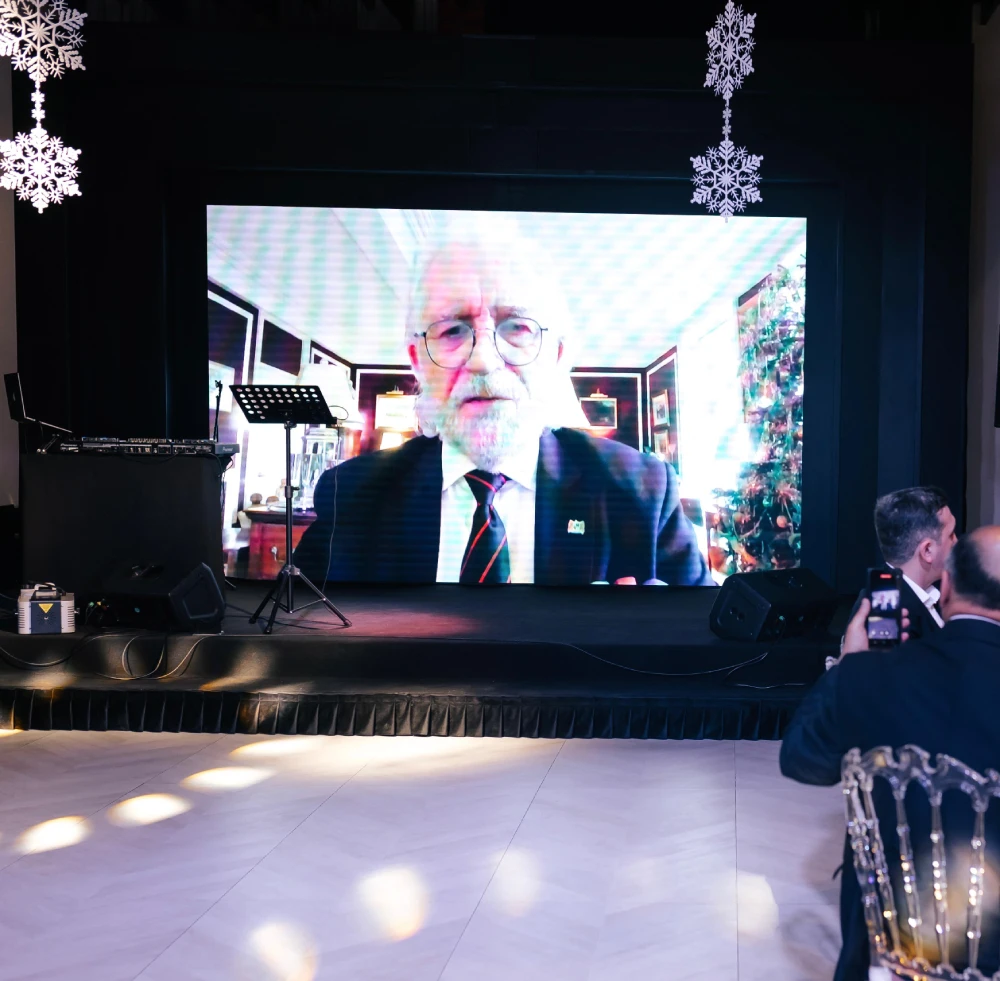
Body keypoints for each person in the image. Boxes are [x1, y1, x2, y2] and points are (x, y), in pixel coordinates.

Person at [295, 220, 712, 586]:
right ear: (417, 361)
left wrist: (657, 633)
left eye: (518, 327)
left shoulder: (642, 492)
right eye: (452, 330)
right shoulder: (351, 495)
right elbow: (296, 632)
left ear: (557, 356)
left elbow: (709, 642)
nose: (483, 359)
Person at [780, 528, 1000, 981]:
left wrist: (851, 666)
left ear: (946, 587)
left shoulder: (869, 676)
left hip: (898, 944)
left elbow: (801, 760)